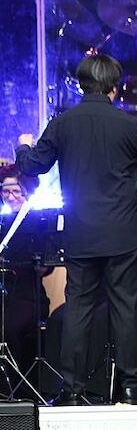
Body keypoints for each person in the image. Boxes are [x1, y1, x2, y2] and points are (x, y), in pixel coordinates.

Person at [15, 53, 137, 406]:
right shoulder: (127, 125)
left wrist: (22, 144)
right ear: (114, 86)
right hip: (121, 235)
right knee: (126, 310)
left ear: (82, 84)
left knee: (77, 310)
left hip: (80, 234)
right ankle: (131, 389)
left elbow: (32, 166)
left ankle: (72, 390)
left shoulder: (63, 124)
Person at [0, 164, 52, 389]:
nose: (10, 197)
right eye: (5, 191)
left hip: (27, 293)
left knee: (10, 327)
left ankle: (14, 387)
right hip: (4, 290)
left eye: (16, 191)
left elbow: (46, 266)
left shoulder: (38, 221)